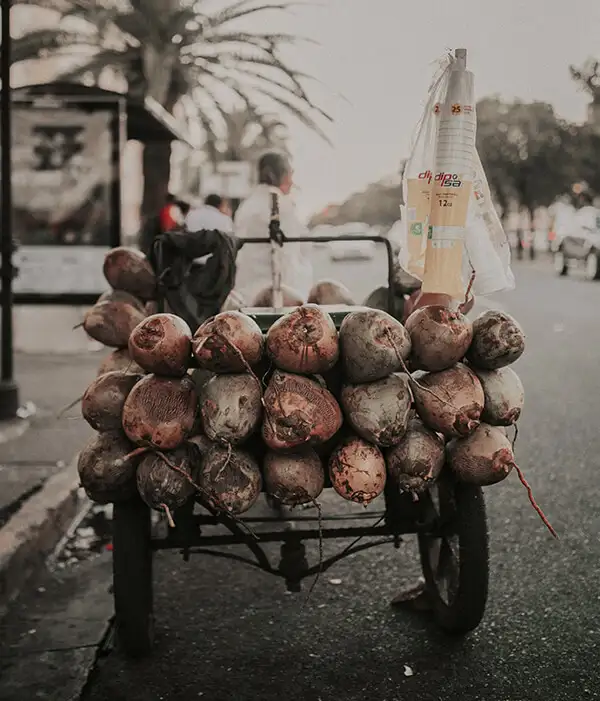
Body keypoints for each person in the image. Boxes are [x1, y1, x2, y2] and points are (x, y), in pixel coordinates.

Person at [232, 151, 313, 304]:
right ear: (282, 175)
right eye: (290, 174)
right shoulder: (283, 205)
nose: (291, 181)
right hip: (278, 296)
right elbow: (291, 257)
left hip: (245, 295)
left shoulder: (246, 206)